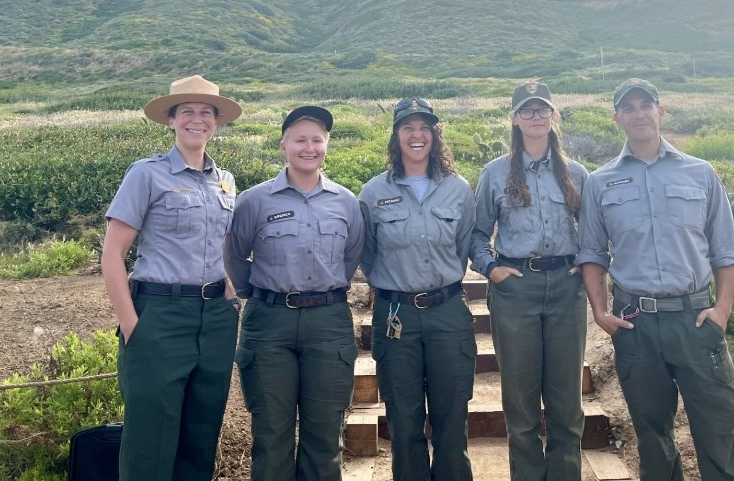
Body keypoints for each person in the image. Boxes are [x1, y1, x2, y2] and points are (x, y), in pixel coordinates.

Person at [578, 78, 734, 481]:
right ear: (618, 117)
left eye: (646, 105)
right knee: (653, 437)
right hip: (636, 324)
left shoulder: (700, 173)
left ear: (661, 112)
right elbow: (591, 254)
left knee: (717, 431)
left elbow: (726, 249)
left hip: (695, 321)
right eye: (629, 107)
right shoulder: (599, 182)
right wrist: (601, 313)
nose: (639, 113)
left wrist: (722, 310)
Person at [100, 75, 243, 481]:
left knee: (201, 435)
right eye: (187, 112)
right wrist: (132, 326)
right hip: (159, 316)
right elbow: (112, 255)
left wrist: (231, 297)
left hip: (215, 318)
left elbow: (226, 248)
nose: (196, 120)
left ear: (216, 122)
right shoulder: (146, 174)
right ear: (171, 120)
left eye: (206, 112)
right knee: (150, 441)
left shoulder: (226, 181)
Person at [226, 105, 363, 481]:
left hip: (328, 321)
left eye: (317, 140)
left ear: (326, 146)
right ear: (283, 145)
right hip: (269, 323)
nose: (309, 147)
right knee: (271, 436)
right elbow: (235, 255)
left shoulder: (346, 202)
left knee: (324, 438)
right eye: (300, 139)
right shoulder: (255, 201)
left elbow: (350, 257)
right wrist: (253, 291)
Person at [470, 81, 590, 481]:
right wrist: (492, 268)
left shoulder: (575, 173)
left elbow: (594, 232)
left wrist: (584, 263)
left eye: (542, 110)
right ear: (515, 118)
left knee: (566, 403)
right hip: (516, 290)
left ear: (553, 116)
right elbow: (475, 233)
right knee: (520, 403)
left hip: (566, 290)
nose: (536, 117)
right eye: (527, 110)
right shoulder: (496, 173)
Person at [358, 97, 477, 481]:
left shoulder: (458, 189)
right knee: (404, 420)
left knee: (451, 417)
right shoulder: (373, 193)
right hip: (396, 315)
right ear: (396, 135)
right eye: (407, 127)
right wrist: (397, 287)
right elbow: (368, 254)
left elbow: (461, 248)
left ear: (434, 134)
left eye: (424, 127)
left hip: (447, 312)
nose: (416, 135)